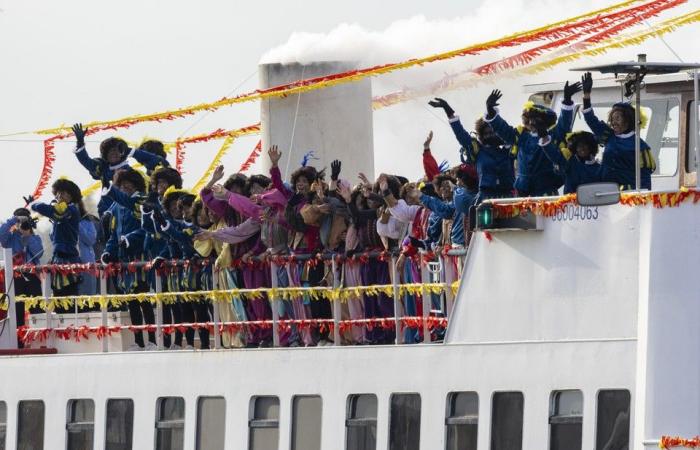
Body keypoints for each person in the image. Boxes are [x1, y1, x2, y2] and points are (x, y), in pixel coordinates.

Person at [484, 80, 581, 196]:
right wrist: (490, 110)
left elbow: (564, 123)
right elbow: (502, 128)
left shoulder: (553, 135)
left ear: (544, 120)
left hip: (546, 189)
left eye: (535, 118)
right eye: (528, 119)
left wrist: (567, 100)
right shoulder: (520, 136)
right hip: (522, 190)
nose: (531, 122)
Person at [101, 168, 156, 351]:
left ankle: (152, 341)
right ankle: (138, 341)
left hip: (139, 257)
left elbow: (146, 229)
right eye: (121, 186)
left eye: (128, 185)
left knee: (143, 298)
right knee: (131, 301)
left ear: (136, 185)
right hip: (123, 260)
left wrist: (129, 238)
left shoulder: (142, 201)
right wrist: (108, 252)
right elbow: (113, 234)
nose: (125, 188)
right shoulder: (117, 207)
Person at [580, 72, 656, 190]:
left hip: (626, 196)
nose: (614, 122)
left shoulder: (640, 146)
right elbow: (591, 120)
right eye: (612, 119)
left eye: (618, 118)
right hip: (604, 191)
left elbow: (645, 179)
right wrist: (586, 95)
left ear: (628, 120)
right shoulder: (608, 136)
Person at [429, 97, 515, 202]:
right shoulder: (477, 150)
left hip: (510, 197)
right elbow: (461, 134)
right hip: (486, 198)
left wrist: (491, 112)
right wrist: (448, 110)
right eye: (486, 133)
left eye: (492, 132)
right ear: (481, 135)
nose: (490, 135)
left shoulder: (509, 148)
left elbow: (506, 130)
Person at [71, 123, 168, 215]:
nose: (114, 154)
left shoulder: (132, 173)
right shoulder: (103, 168)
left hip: (126, 212)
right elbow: (87, 162)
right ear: (105, 155)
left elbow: (157, 162)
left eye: (117, 151)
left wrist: (131, 151)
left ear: (123, 153)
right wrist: (80, 143)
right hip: (105, 211)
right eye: (110, 152)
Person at [26, 178, 84, 308]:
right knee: (58, 299)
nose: (59, 196)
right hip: (58, 258)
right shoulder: (60, 211)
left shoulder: (71, 210)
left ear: (71, 195)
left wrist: (34, 203)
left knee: (69, 299)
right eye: (57, 193)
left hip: (69, 258)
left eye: (63, 193)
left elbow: (49, 210)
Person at [0, 208, 43, 345]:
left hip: (32, 277)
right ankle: (18, 343)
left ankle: (39, 341)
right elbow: (1, 235)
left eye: (25, 221)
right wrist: (14, 220)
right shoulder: (11, 238)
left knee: (37, 310)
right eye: (20, 221)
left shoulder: (35, 237)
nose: (22, 225)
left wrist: (28, 235)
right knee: (16, 311)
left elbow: (39, 253)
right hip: (16, 278)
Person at [78, 214, 97, 296]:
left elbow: (91, 239)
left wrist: (78, 225)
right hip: (69, 261)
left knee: (89, 293)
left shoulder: (87, 222)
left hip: (86, 261)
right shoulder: (61, 222)